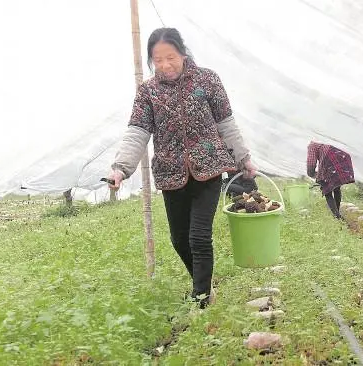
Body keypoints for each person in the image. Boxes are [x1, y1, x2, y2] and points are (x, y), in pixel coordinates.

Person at [107, 28, 256, 308]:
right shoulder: (148, 92)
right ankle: (204, 286)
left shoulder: (208, 80)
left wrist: (243, 158)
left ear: (183, 53)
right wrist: (120, 169)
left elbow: (226, 124)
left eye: (170, 57)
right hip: (170, 174)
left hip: (209, 169)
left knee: (199, 236)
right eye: (158, 59)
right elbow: (137, 132)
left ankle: (200, 300)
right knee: (179, 240)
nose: (165, 65)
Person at [306, 141, 355, 219]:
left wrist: (311, 173)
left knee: (327, 190)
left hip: (329, 160)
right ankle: (337, 213)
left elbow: (311, 163)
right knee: (336, 187)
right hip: (339, 158)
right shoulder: (323, 143)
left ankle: (336, 216)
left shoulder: (312, 146)